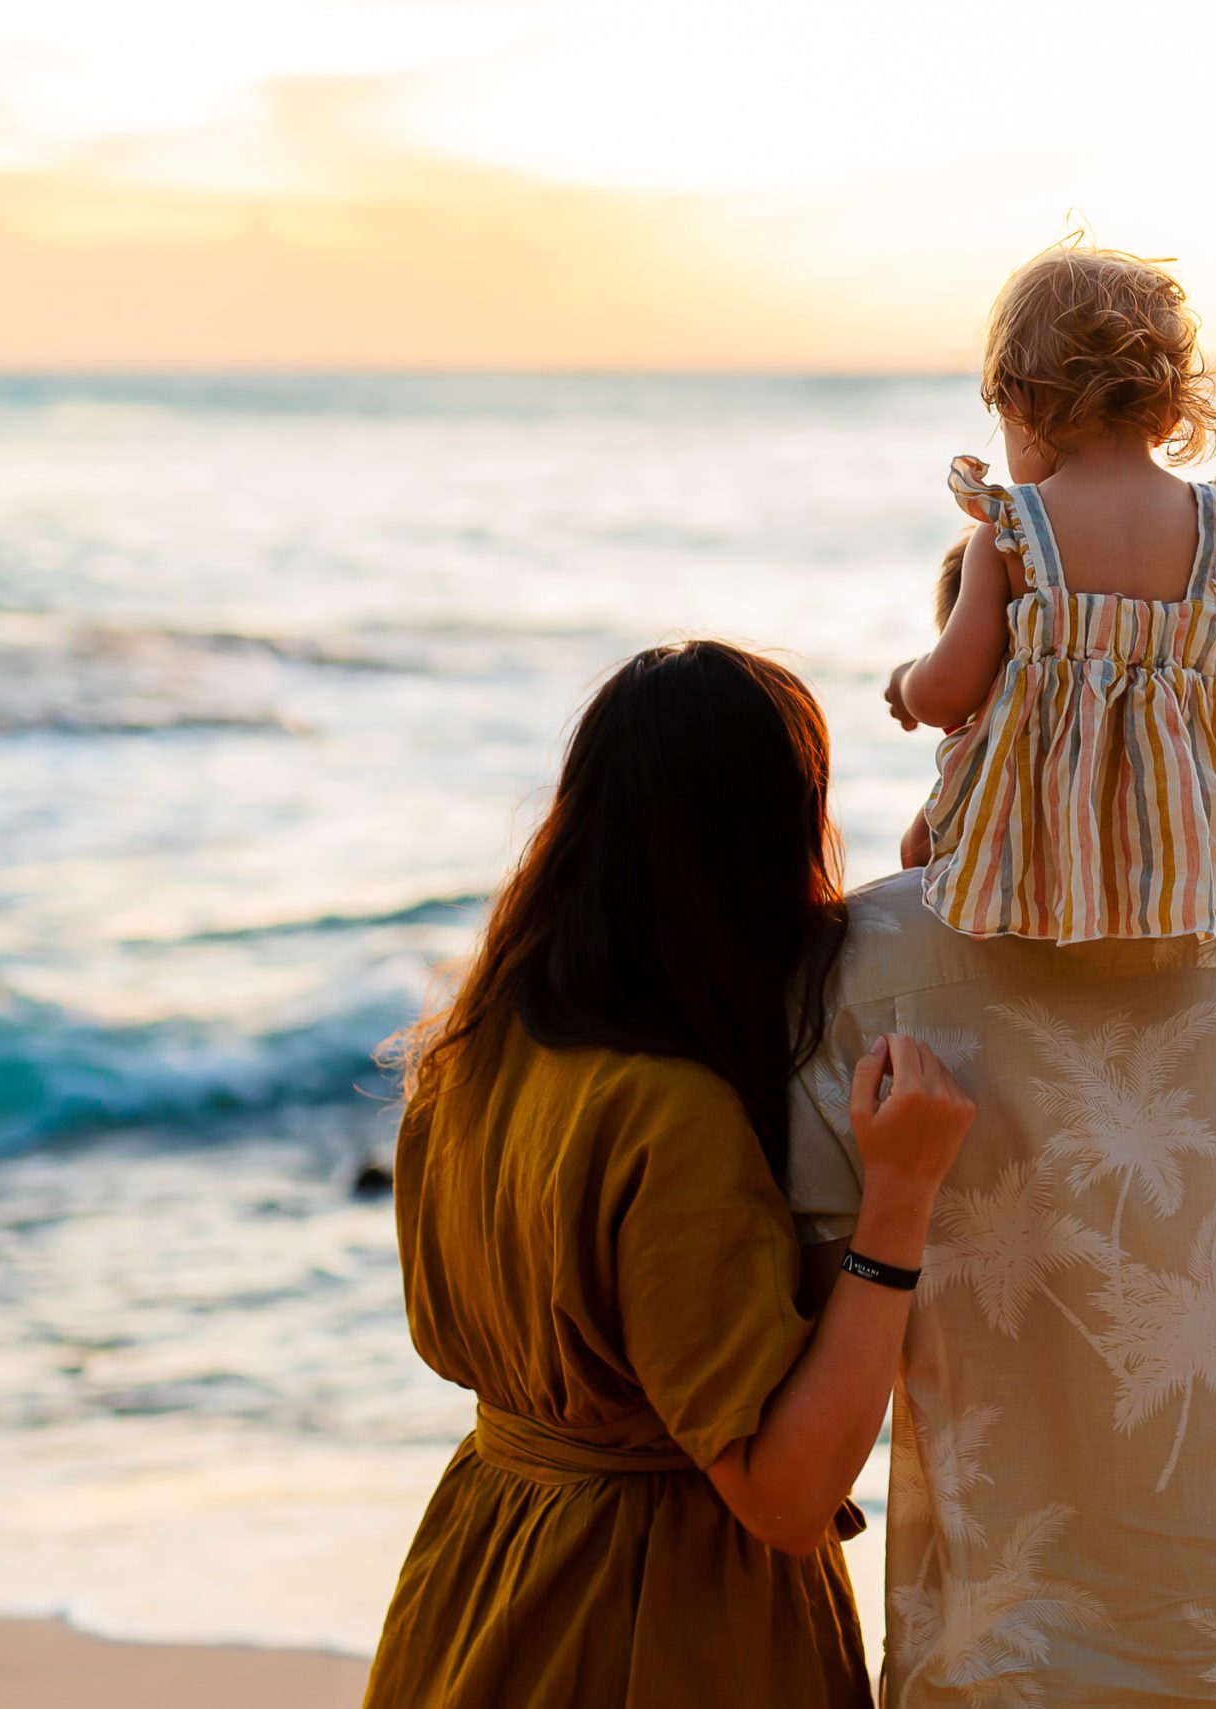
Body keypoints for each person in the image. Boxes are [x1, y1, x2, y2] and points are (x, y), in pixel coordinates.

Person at [791, 243, 1216, 1706]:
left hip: (996, 1661)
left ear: (1018, 397)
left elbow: (810, 1310)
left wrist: (909, 696)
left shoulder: (872, 959)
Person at [364, 640, 976, 1709]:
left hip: (483, 1569)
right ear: (763, 839)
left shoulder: (467, 1055)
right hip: (658, 1612)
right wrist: (898, 1202)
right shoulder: (671, 1115)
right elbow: (785, 1495)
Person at [882, 240, 1216, 943]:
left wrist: (906, 683)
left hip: (1043, 872)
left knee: (929, 844)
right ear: (1168, 412)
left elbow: (949, 692)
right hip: (1194, 862)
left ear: (1021, 399)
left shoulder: (1010, 534)